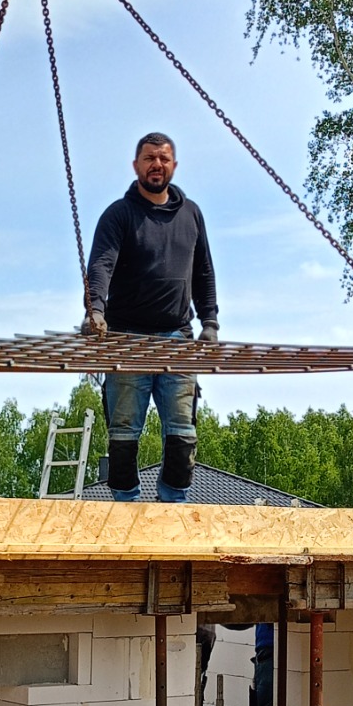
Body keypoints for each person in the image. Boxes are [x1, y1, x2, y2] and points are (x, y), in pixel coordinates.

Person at [83, 131, 218, 502]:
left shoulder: (191, 215)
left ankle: (171, 503)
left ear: (173, 165)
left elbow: (203, 271)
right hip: (127, 338)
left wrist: (210, 322)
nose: (156, 165)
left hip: (177, 336)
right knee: (123, 429)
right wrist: (95, 310)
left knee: (182, 430)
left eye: (163, 158)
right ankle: (125, 504)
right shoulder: (120, 215)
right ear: (136, 166)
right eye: (148, 158)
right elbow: (101, 265)